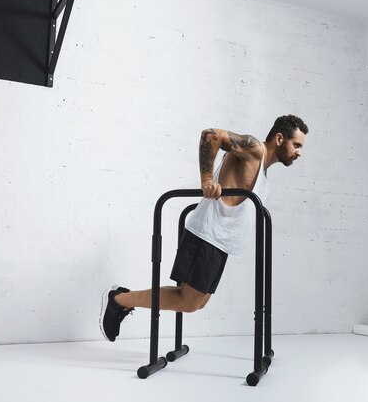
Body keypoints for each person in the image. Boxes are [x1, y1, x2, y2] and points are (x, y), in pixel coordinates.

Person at [100, 115, 308, 341]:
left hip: (220, 242)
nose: (299, 152)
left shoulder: (264, 172)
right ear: (279, 138)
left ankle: (120, 299)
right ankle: (118, 300)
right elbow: (211, 135)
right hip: (207, 235)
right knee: (188, 301)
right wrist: (207, 180)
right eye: (296, 145)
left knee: (196, 303)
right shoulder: (254, 149)